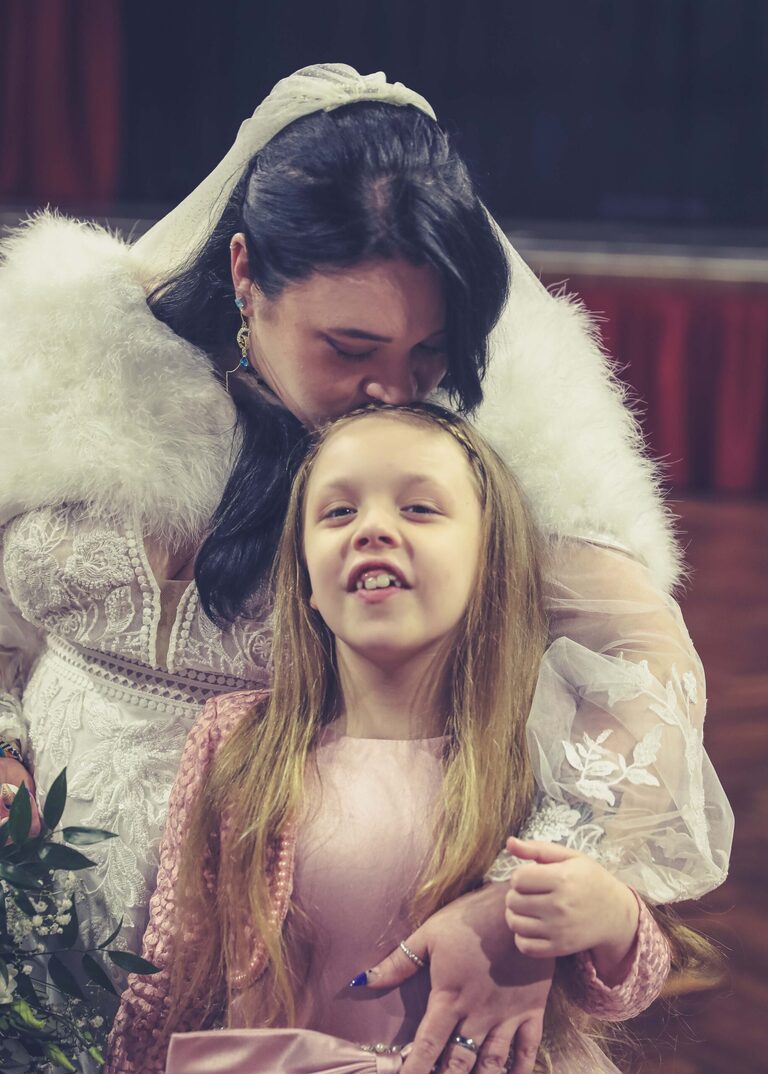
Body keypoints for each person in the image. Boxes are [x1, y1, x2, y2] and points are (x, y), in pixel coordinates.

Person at [0, 63, 731, 1060]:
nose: (392, 390)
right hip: (30, 910)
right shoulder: (70, 359)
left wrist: (535, 892)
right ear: (247, 272)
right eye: (351, 345)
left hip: (278, 963)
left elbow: (641, 657)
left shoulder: (473, 444)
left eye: (427, 352)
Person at [106, 403, 682, 1074]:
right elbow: (171, 976)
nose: (373, 528)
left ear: (488, 562)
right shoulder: (237, 743)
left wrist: (607, 912)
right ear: (308, 583)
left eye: (419, 510)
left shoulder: (542, 750)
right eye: (339, 513)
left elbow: (630, 976)